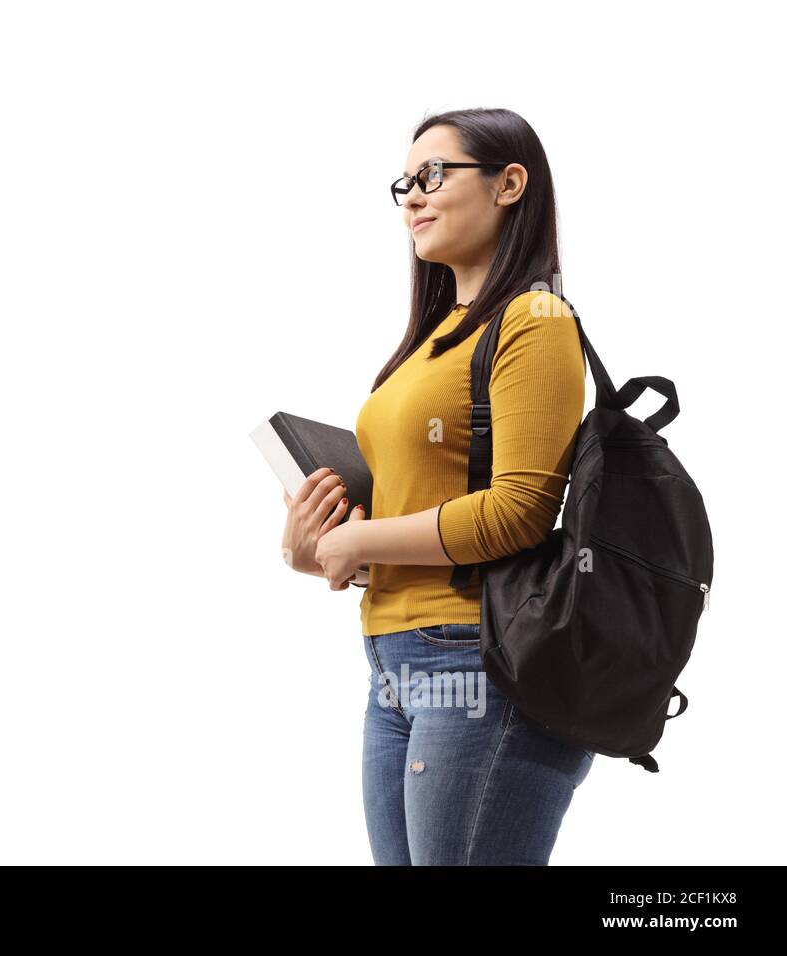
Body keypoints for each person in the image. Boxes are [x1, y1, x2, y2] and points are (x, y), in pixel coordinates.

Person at [280, 108, 592, 865]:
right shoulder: (429, 340)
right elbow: (419, 506)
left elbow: (518, 511)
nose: (413, 198)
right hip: (391, 665)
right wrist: (319, 546)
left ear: (509, 183)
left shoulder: (535, 319)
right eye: (405, 184)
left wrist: (360, 538)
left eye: (433, 176)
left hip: (477, 663)